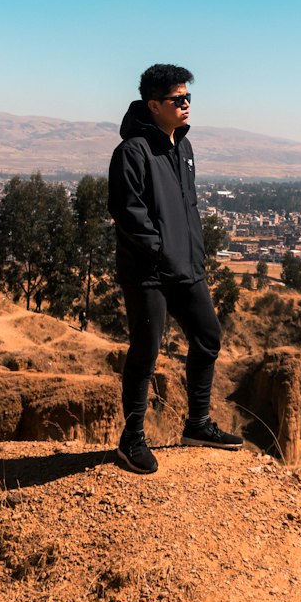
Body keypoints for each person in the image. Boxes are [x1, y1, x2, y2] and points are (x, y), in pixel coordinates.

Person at [107, 63, 243, 473]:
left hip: (187, 266)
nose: (185, 104)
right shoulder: (131, 152)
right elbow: (127, 213)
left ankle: (198, 424)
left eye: (188, 98)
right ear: (153, 105)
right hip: (147, 272)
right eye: (176, 99)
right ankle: (132, 439)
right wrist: (160, 250)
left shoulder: (183, 148)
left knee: (208, 337)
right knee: (146, 351)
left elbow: (188, 208)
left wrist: (193, 252)